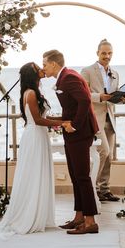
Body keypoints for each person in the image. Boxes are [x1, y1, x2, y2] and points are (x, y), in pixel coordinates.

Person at [0, 62, 66, 244]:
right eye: (38, 68)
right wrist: (62, 123)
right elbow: (38, 120)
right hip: (34, 137)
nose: (42, 69)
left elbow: (44, 118)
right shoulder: (30, 94)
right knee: (33, 176)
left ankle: (40, 213)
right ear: (32, 75)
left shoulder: (35, 92)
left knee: (38, 174)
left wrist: (63, 119)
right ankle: (29, 215)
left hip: (40, 137)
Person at [43, 50, 99, 235]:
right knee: (75, 176)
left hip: (79, 133)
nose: (44, 68)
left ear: (53, 64)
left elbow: (85, 100)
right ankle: (79, 217)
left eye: (45, 64)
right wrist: (61, 119)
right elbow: (73, 106)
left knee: (82, 176)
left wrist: (74, 125)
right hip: (74, 133)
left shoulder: (68, 78)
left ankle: (90, 222)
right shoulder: (65, 77)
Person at [81, 39, 125, 203]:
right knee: (104, 151)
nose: (107, 56)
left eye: (110, 53)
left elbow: (113, 97)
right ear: (97, 53)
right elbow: (83, 94)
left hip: (111, 118)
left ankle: (104, 189)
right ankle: (92, 189)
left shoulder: (115, 73)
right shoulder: (87, 71)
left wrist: (123, 99)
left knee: (109, 156)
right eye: (104, 53)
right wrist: (100, 97)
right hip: (94, 118)